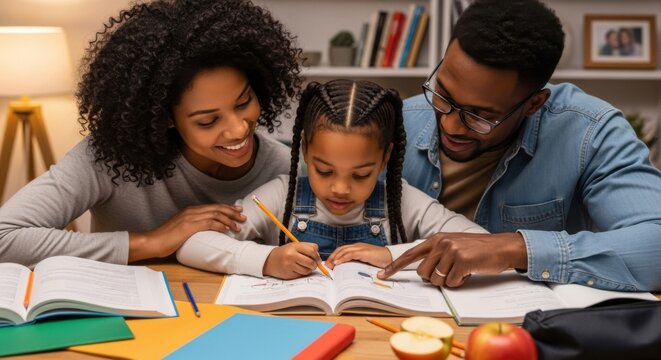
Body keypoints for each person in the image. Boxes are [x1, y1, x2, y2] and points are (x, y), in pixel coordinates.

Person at [378, 0, 661, 292]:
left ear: (534, 104)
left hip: (533, 327)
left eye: (479, 116)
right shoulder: (395, 123)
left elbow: (656, 242)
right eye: (443, 95)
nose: (450, 125)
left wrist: (513, 248)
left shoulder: (590, 133)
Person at [0, 0, 302, 267]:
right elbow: (5, 237)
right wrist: (150, 242)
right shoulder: (110, 158)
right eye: (207, 121)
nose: (239, 129)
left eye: (244, 102)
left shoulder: (284, 169)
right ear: (165, 118)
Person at [176, 79, 486, 279]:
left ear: (385, 158)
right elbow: (191, 244)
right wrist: (267, 259)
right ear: (306, 150)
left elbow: (479, 244)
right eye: (324, 171)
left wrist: (391, 255)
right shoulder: (283, 194)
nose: (340, 188)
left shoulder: (399, 199)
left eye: (361, 174)